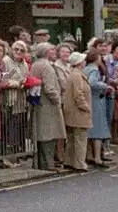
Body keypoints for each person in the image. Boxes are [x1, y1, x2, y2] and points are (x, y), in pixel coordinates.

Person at [30, 42, 65, 172]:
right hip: (48, 105)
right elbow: (50, 88)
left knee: (41, 134)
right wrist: (58, 100)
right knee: (49, 134)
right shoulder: (46, 66)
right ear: (46, 52)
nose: (54, 51)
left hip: (38, 102)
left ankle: (40, 163)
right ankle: (48, 164)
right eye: (52, 49)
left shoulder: (35, 64)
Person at [60, 52, 92, 171]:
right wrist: (86, 107)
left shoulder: (73, 74)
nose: (85, 62)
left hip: (72, 111)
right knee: (80, 138)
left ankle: (69, 160)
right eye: (83, 60)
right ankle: (79, 163)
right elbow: (78, 94)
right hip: (78, 111)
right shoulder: (77, 75)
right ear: (79, 63)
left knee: (72, 137)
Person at [83, 43, 113, 167]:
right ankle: (97, 158)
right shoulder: (94, 69)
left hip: (90, 100)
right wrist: (105, 86)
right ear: (96, 59)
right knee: (98, 130)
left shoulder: (85, 69)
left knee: (90, 130)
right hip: (96, 100)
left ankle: (89, 155)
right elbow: (92, 83)